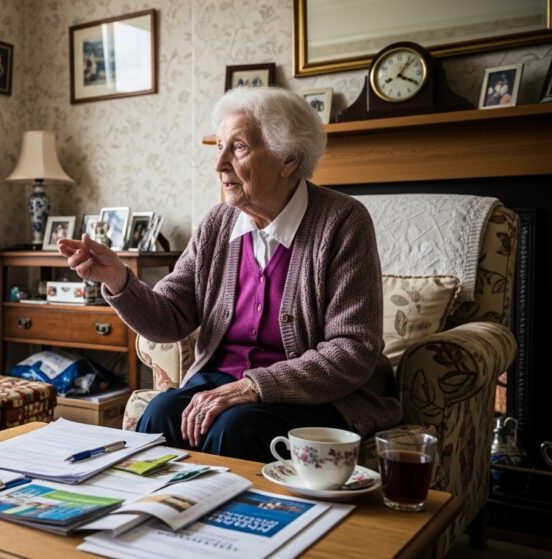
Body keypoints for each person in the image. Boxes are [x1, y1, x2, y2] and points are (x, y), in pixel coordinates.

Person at [58, 87, 400, 463]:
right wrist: (118, 280)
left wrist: (255, 385)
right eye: (219, 146)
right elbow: (170, 318)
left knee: (235, 426)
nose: (219, 164)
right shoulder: (217, 225)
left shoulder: (342, 222)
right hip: (221, 384)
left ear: (288, 159)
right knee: (160, 413)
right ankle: (154, 515)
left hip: (314, 394)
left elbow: (352, 350)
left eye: (237, 148)